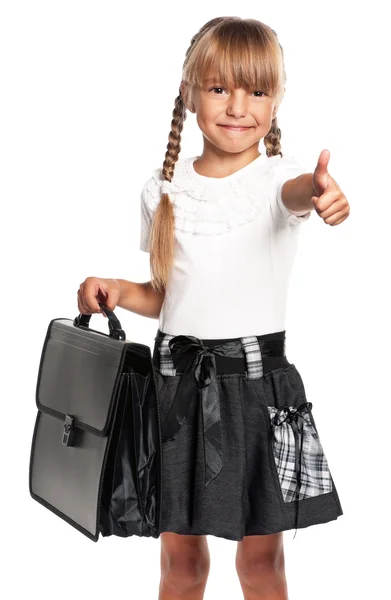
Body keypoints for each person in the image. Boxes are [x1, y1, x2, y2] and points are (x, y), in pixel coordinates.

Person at [78, 16, 349, 600]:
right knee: (181, 565)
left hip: (257, 390)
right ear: (189, 93)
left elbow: (300, 190)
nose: (237, 106)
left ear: (276, 101)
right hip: (175, 389)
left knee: (260, 566)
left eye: (257, 90)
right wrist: (120, 291)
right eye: (220, 88)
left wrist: (322, 192)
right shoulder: (163, 189)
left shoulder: (277, 182)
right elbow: (170, 295)